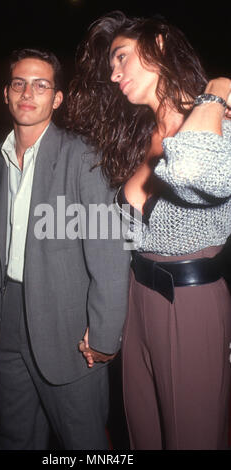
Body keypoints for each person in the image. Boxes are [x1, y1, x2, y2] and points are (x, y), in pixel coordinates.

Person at [65, 11, 231, 450]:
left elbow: (195, 169)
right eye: (111, 68)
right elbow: (115, 238)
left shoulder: (222, 123)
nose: (115, 74)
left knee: (192, 438)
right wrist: (103, 320)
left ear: (158, 44)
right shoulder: (139, 136)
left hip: (190, 302)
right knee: (142, 435)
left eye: (121, 57)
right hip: (137, 300)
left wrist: (217, 91)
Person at [0, 48, 130, 450]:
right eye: (19, 84)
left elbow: (109, 255)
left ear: (56, 98)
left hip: (70, 329)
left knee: (84, 444)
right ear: (6, 93)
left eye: (41, 85)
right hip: (7, 324)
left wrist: (105, 335)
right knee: (14, 437)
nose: (28, 93)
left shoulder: (83, 156)